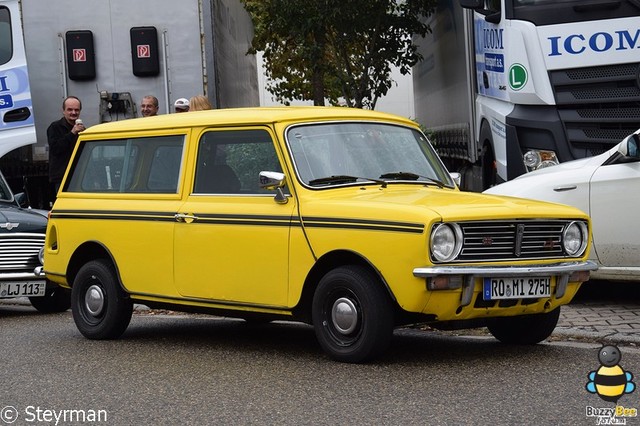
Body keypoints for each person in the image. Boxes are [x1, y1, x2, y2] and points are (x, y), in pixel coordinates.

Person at [47, 96, 85, 193]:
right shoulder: (55, 127)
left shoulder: (82, 129)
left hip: (79, 176)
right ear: (63, 111)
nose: (73, 113)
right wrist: (72, 133)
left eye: (76, 110)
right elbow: (56, 148)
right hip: (62, 178)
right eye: (70, 110)